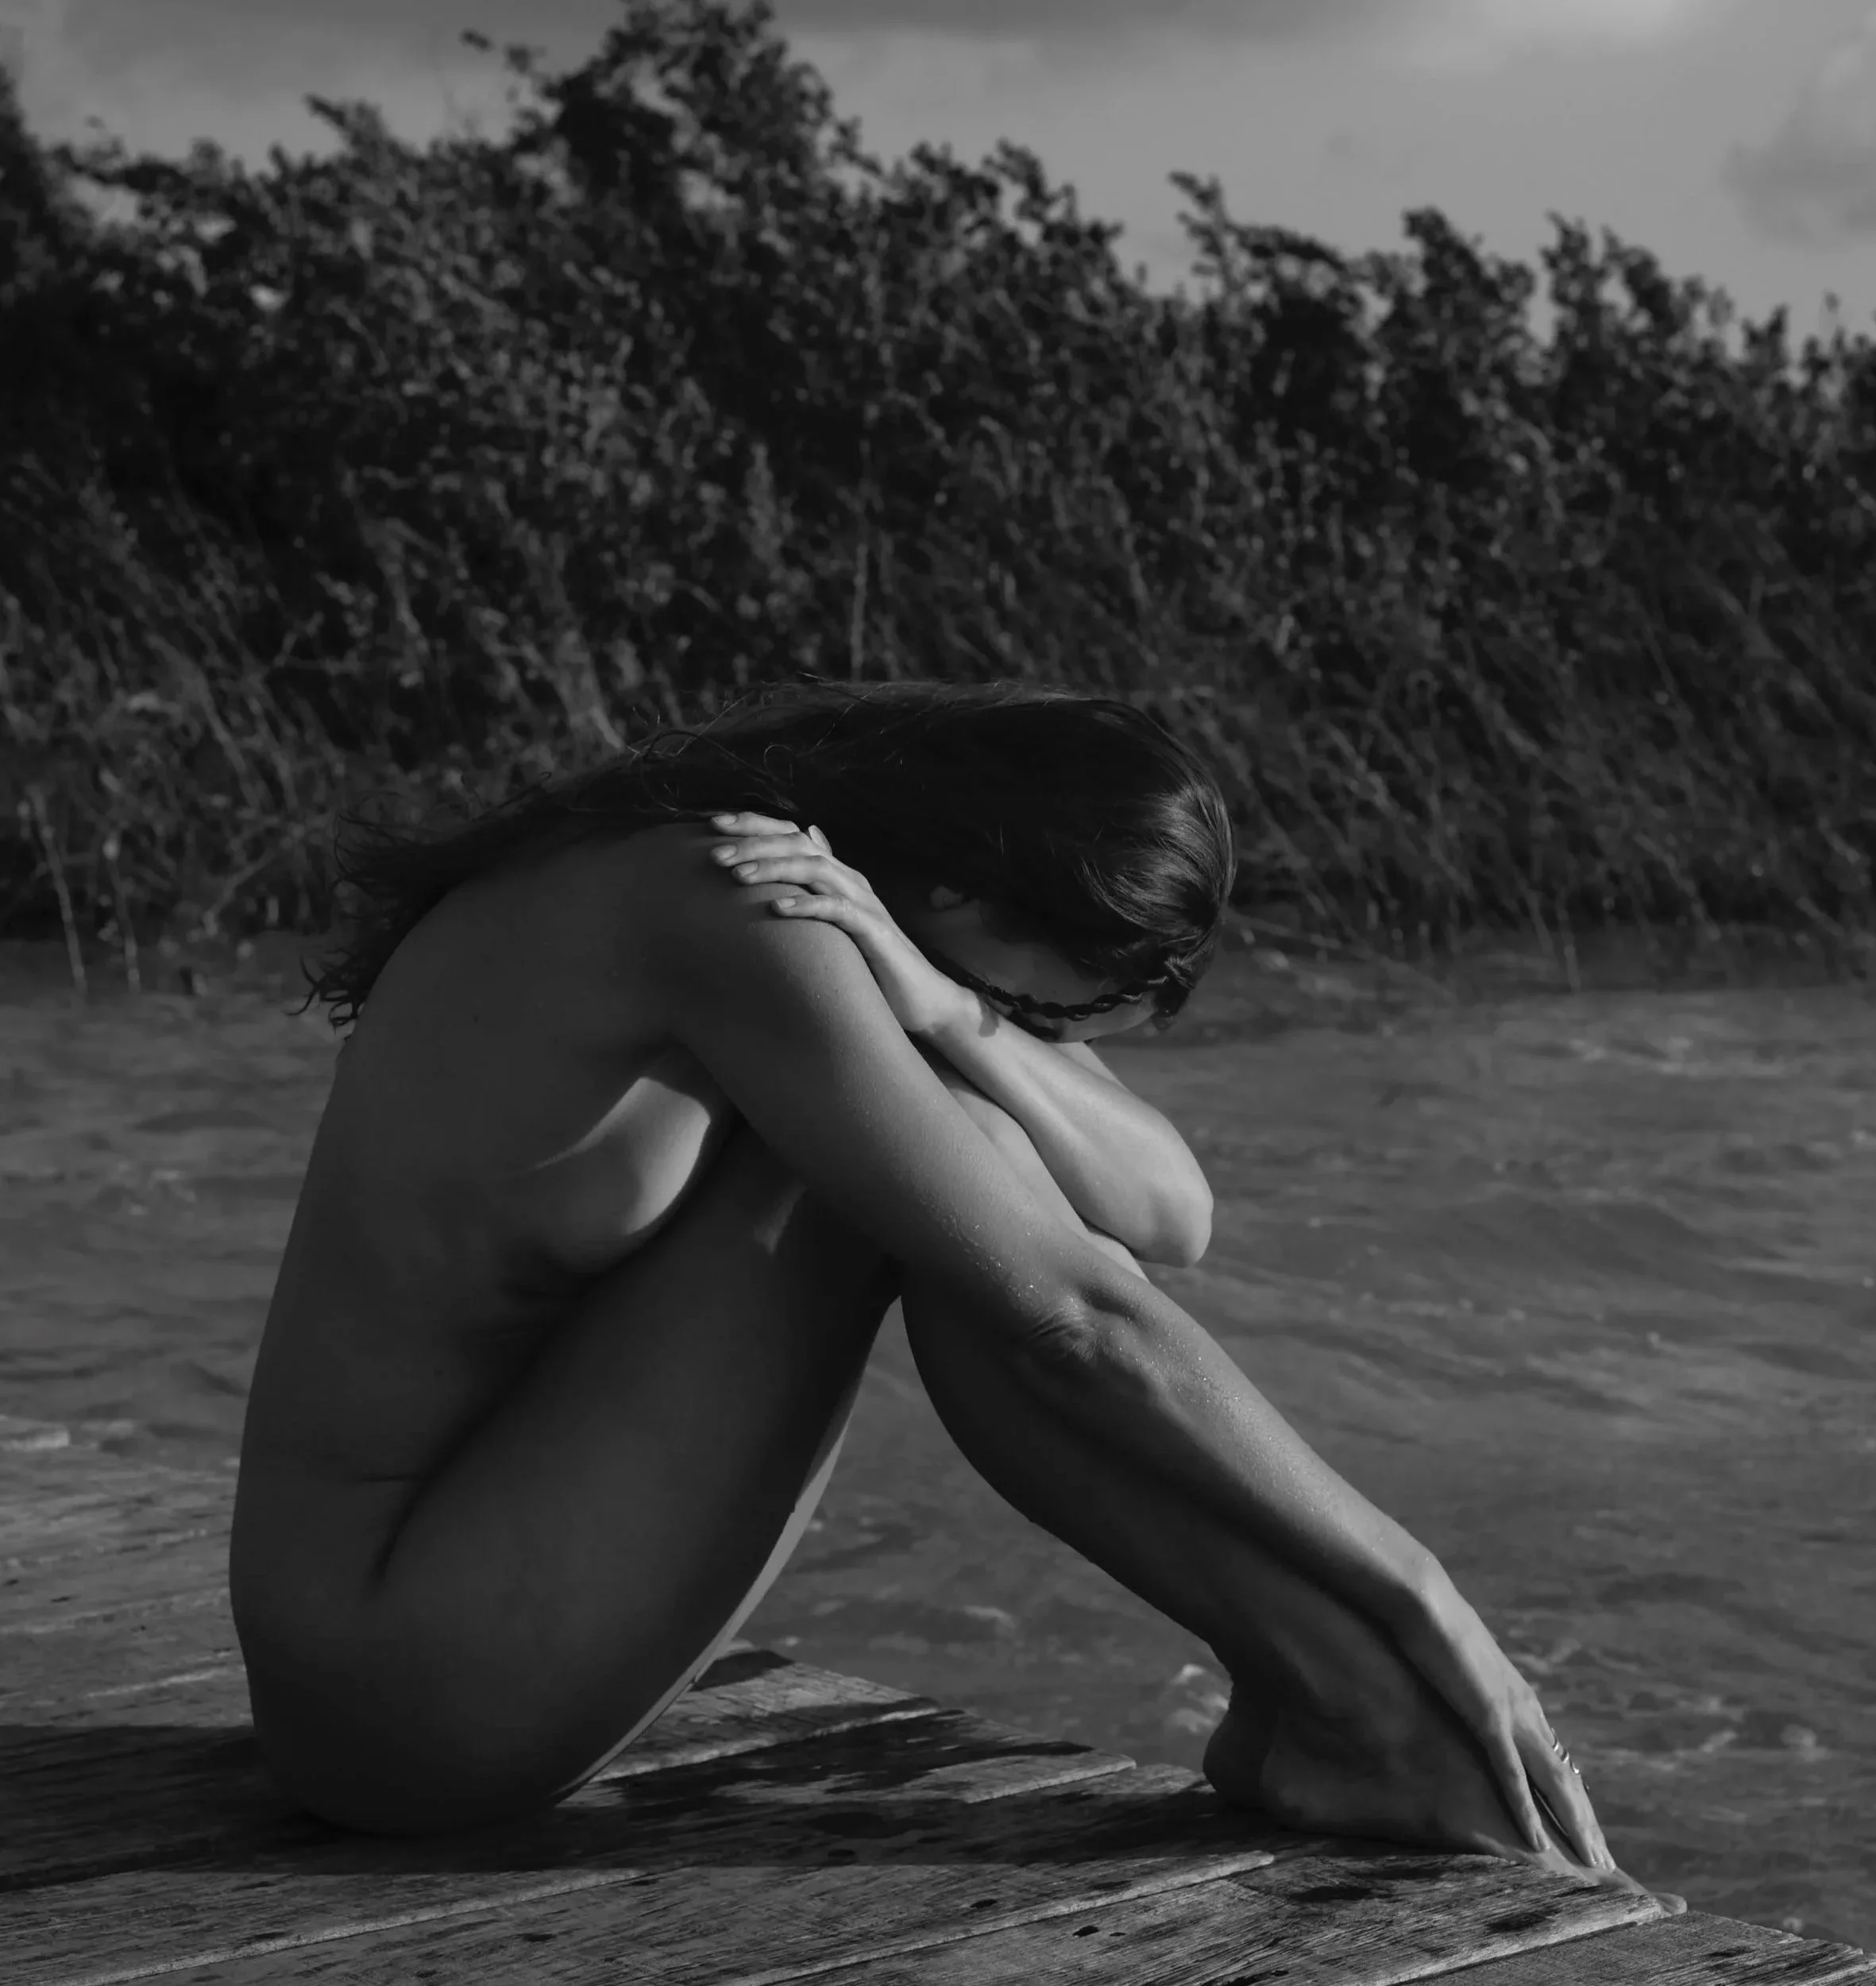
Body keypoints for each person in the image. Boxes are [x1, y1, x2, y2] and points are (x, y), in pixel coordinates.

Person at [227, 677, 1669, 1907]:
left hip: (434, 1644)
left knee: (970, 1143)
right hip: (401, 1688)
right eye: (1036, 1001)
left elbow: (1173, 1209)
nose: (1023, 1034)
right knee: (954, 1190)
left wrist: (946, 1007)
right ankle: (1340, 1701)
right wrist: (1423, 1602)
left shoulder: (839, 904)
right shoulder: (734, 904)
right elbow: (1073, 1315)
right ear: (969, 884)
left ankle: (1326, 1701)